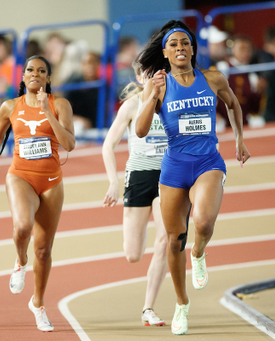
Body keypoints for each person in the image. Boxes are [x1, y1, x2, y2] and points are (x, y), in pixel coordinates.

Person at [135, 20, 250, 335]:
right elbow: (141, 130)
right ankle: (181, 304)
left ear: (192, 49)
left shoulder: (212, 78)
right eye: (173, 45)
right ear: (166, 53)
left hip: (208, 162)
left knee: (202, 223)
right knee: (173, 241)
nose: (180, 48)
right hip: (174, 167)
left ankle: (199, 252)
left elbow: (233, 104)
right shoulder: (158, 85)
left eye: (185, 43)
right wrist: (152, 95)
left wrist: (239, 139)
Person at [0, 55, 75, 332]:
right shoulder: (9, 106)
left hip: (51, 180)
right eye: (30, 70)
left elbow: (69, 144)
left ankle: (38, 304)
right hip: (21, 176)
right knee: (23, 227)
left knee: (43, 250)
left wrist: (47, 112)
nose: (35, 74)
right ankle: (19, 260)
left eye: (42, 71)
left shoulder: (60, 104)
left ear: (48, 78)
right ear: (23, 75)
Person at [102, 62, 170, 327]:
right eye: (148, 72)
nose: (154, 76)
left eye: (158, 71)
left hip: (169, 177)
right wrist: (113, 183)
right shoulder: (132, 105)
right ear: (140, 76)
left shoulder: (173, 101)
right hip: (139, 177)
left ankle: (148, 308)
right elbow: (108, 146)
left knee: (164, 241)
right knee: (133, 254)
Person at [216, 35, 261, 128]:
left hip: (243, 121)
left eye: (248, 50)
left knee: (259, 123)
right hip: (222, 119)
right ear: (232, 50)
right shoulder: (223, 68)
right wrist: (213, 113)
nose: (245, 53)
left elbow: (254, 108)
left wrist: (258, 92)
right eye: (241, 49)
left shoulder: (252, 76)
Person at [65, 51, 101, 133]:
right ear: (82, 65)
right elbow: (62, 112)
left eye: (93, 62)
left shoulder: (103, 85)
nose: (90, 66)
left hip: (97, 128)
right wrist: (79, 120)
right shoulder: (73, 83)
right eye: (86, 63)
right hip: (78, 126)